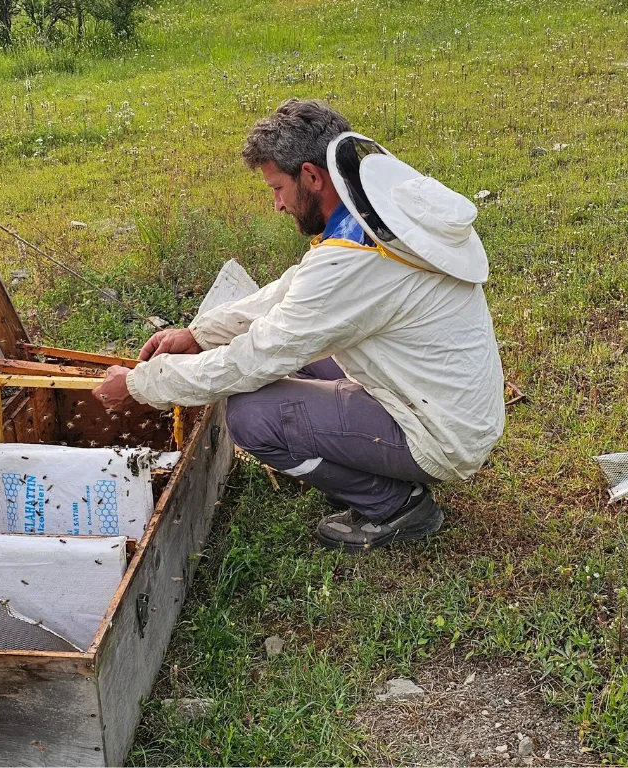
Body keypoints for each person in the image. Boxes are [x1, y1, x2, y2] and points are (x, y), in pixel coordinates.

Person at [91, 98, 504, 551]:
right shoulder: (368, 219)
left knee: (252, 415)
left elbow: (255, 358)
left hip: (438, 435)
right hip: (443, 402)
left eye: (277, 188)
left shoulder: (353, 263)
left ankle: (395, 505)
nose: (277, 205)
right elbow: (295, 289)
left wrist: (139, 385)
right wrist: (200, 334)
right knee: (296, 359)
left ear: (311, 175)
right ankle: (351, 453)